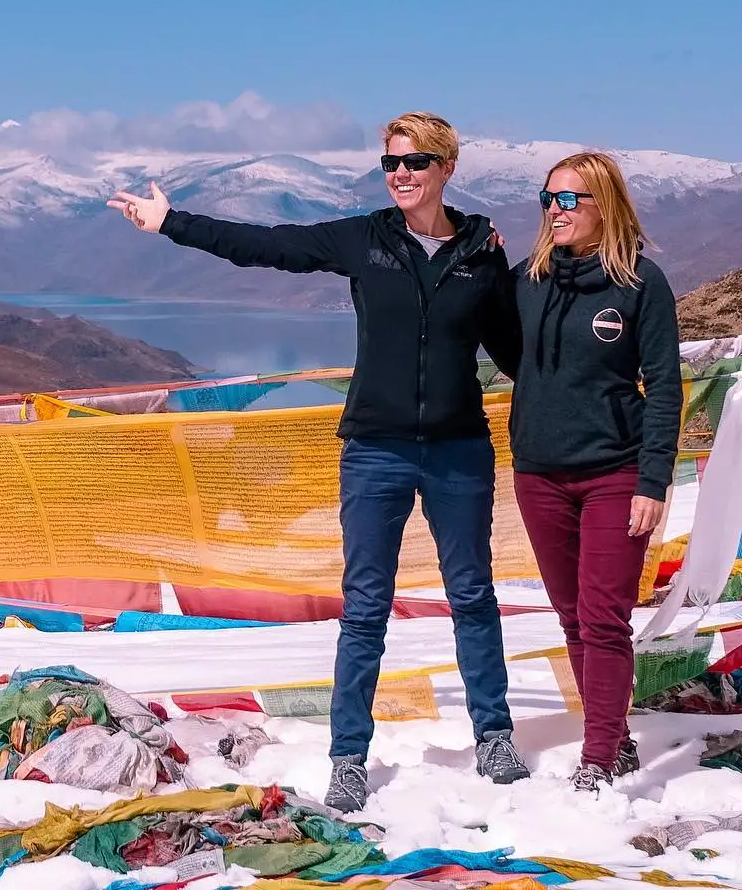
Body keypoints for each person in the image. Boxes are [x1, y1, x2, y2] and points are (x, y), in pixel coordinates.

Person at [109, 112, 527, 811]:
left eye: (415, 162)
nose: (400, 174)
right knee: (365, 608)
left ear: (446, 168)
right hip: (375, 450)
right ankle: (348, 757)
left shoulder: (482, 254)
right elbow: (268, 246)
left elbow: (517, 353)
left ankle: (495, 737)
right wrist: (171, 223)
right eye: (391, 162)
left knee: (473, 596)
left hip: (458, 450)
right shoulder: (365, 239)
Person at [505, 152, 682, 793]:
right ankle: (616, 738)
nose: (554, 210)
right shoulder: (526, 281)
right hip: (539, 475)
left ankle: (598, 760)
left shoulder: (641, 282)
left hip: (616, 473)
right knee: (572, 617)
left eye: (568, 199)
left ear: (603, 205)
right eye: (547, 198)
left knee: (605, 618)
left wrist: (653, 481)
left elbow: (664, 386)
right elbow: (490, 340)